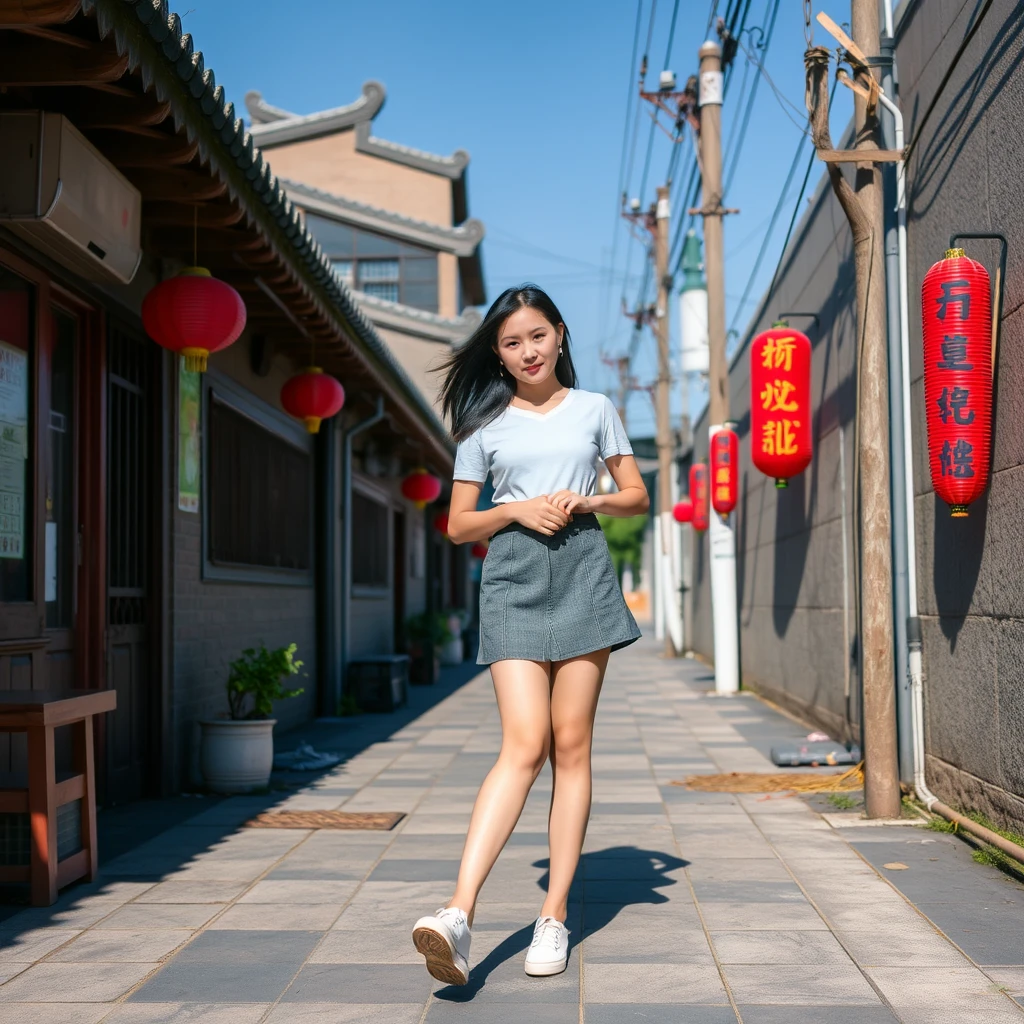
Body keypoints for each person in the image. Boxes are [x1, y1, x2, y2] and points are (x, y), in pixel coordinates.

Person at [411, 284, 649, 986]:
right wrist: (514, 511)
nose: (528, 351)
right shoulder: (484, 425)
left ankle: (553, 916)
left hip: (582, 569)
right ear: (498, 352)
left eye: (537, 336)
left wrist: (591, 498)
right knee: (524, 743)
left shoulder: (596, 410)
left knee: (570, 745)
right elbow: (458, 524)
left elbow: (637, 494)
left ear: (561, 334)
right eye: (512, 343)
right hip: (513, 579)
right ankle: (457, 913)